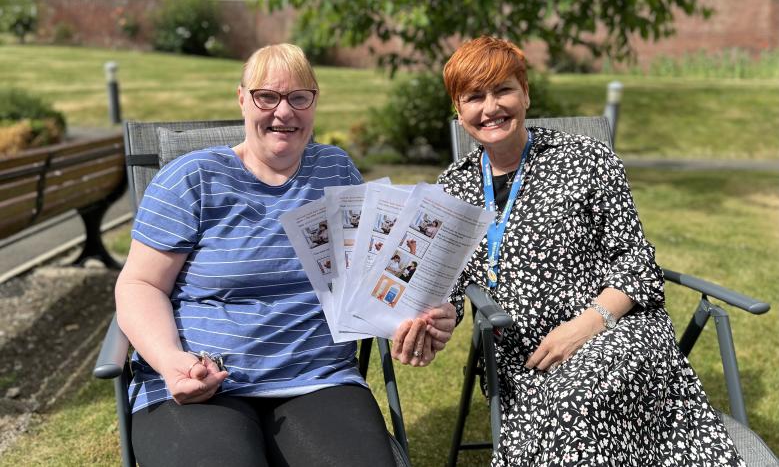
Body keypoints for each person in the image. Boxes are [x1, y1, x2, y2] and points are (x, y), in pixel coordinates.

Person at [115, 43, 456, 467]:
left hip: (318, 379)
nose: (284, 112)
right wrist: (170, 362)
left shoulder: (334, 169)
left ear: (314, 104)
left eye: (299, 97)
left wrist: (422, 315)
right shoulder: (192, 178)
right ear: (242, 98)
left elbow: (370, 277)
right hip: (202, 384)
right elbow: (139, 284)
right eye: (267, 97)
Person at [437, 36, 744, 466]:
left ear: (525, 93)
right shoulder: (453, 187)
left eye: (503, 90)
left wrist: (583, 327)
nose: (490, 108)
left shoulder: (588, 159)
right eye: (474, 97)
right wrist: (429, 323)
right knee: (571, 408)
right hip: (525, 357)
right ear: (459, 109)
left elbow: (636, 262)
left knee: (577, 402)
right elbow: (444, 285)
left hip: (615, 329)